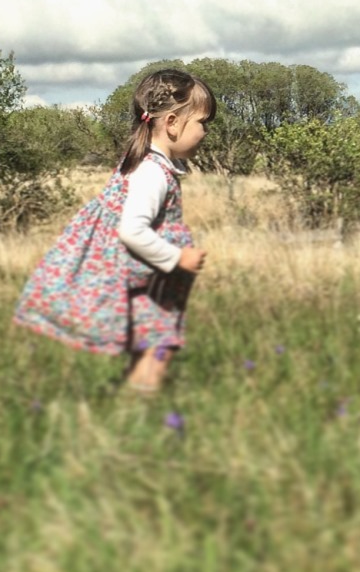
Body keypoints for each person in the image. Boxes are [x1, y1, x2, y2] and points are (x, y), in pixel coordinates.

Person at [13, 68, 212, 394]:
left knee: (152, 344)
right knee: (160, 344)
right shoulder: (153, 172)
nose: (205, 131)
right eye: (202, 122)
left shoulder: (148, 164)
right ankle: (139, 410)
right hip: (151, 280)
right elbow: (132, 231)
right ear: (173, 123)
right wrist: (177, 258)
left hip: (148, 280)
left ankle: (133, 406)